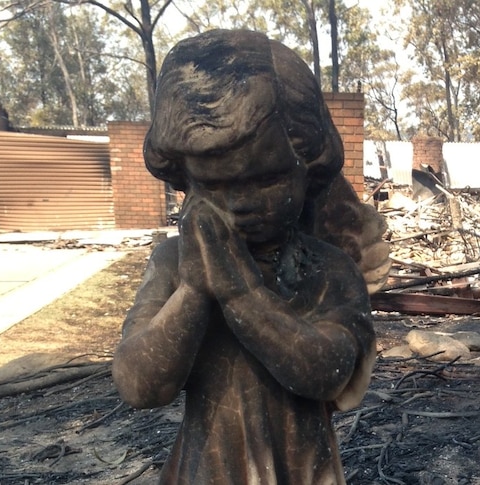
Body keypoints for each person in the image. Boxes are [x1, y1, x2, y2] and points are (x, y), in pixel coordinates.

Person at [111, 29, 381, 484]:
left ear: (307, 166)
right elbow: (139, 385)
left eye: (268, 178)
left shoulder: (329, 268)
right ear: (186, 179)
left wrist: (240, 294)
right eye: (214, 185)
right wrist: (195, 292)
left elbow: (327, 373)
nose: (241, 203)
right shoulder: (175, 264)